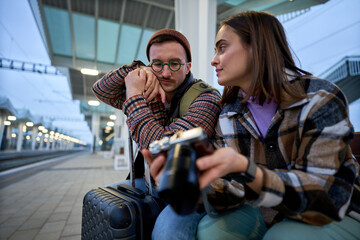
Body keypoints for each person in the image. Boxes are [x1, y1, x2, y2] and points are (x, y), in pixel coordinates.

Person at [142, 11, 360, 239]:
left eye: (222, 47)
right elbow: (234, 193)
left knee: (282, 236)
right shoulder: (228, 114)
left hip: (336, 212)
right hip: (265, 211)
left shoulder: (319, 98)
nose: (213, 60)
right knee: (213, 232)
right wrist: (197, 181)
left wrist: (246, 169)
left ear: (257, 46)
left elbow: (323, 196)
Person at [92, 29, 221, 238]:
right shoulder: (150, 89)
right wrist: (137, 71)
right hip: (151, 183)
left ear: (188, 67)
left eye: (175, 63)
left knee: (166, 232)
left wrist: (134, 96)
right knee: (104, 206)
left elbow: (164, 150)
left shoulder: (207, 99)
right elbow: (101, 90)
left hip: (191, 192)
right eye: (158, 64)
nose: (166, 73)